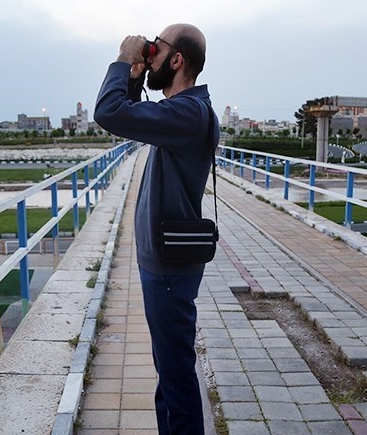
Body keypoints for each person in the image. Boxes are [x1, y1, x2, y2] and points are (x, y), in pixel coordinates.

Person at [94, 23, 219, 435]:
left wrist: (123, 60)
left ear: (177, 60)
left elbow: (108, 113)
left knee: (176, 376)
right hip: (165, 262)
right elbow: (131, 119)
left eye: (157, 49)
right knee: (169, 373)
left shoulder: (188, 112)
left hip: (169, 268)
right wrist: (134, 78)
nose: (150, 55)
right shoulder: (183, 111)